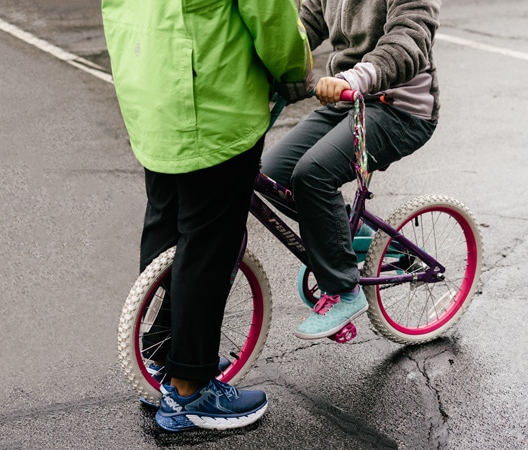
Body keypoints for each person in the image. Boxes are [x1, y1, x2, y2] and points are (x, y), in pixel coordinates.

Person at [102, 0, 312, 433]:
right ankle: (190, 388)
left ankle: (164, 356)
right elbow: (271, 17)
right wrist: (295, 71)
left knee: (166, 223)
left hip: (151, 92)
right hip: (211, 100)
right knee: (210, 242)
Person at [261, 0, 441, 340]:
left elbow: (410, 37)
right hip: (348, 98)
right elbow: (302, 26)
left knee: (313, 175)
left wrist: (357, 76)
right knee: (272, 173)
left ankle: (344, 290)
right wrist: (263, 63)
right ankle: (355, 238)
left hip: (398, 107)